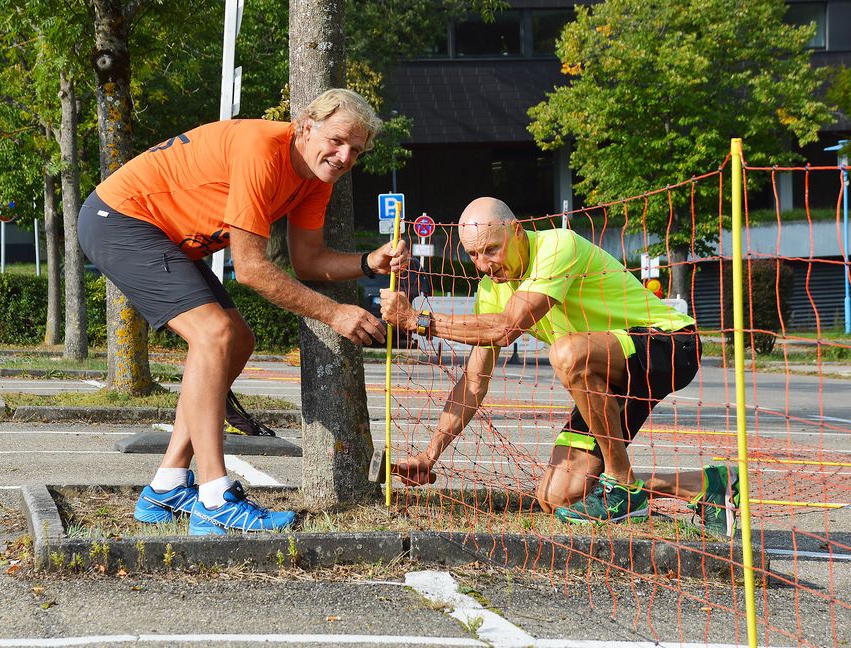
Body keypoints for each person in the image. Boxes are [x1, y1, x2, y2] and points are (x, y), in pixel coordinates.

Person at [78, 89, 407, 536]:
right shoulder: (262, 150)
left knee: (238, 339)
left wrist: (369, 262)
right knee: (214, 333)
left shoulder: (315, 178)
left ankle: (166, 486)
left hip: (159, 234)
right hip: (119, 218)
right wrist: (335, 313)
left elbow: (309, 261)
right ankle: (215, 498)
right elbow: (250, 269)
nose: (345, 157)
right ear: (306, 127)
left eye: (357, 150)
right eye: (337, 140)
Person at [380, 197, 740, 536]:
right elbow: (474, 381)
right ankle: (705, 485)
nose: (484, 264)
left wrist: (417, 321)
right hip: (607, 374)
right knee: (557, 496)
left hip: (669, 344)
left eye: (491, 249)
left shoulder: (556, 246)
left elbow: (507, 328)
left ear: (517, 231)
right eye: (473, 254)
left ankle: (621, 483)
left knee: (566, 353)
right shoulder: (491, 290)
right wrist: (430, 454)